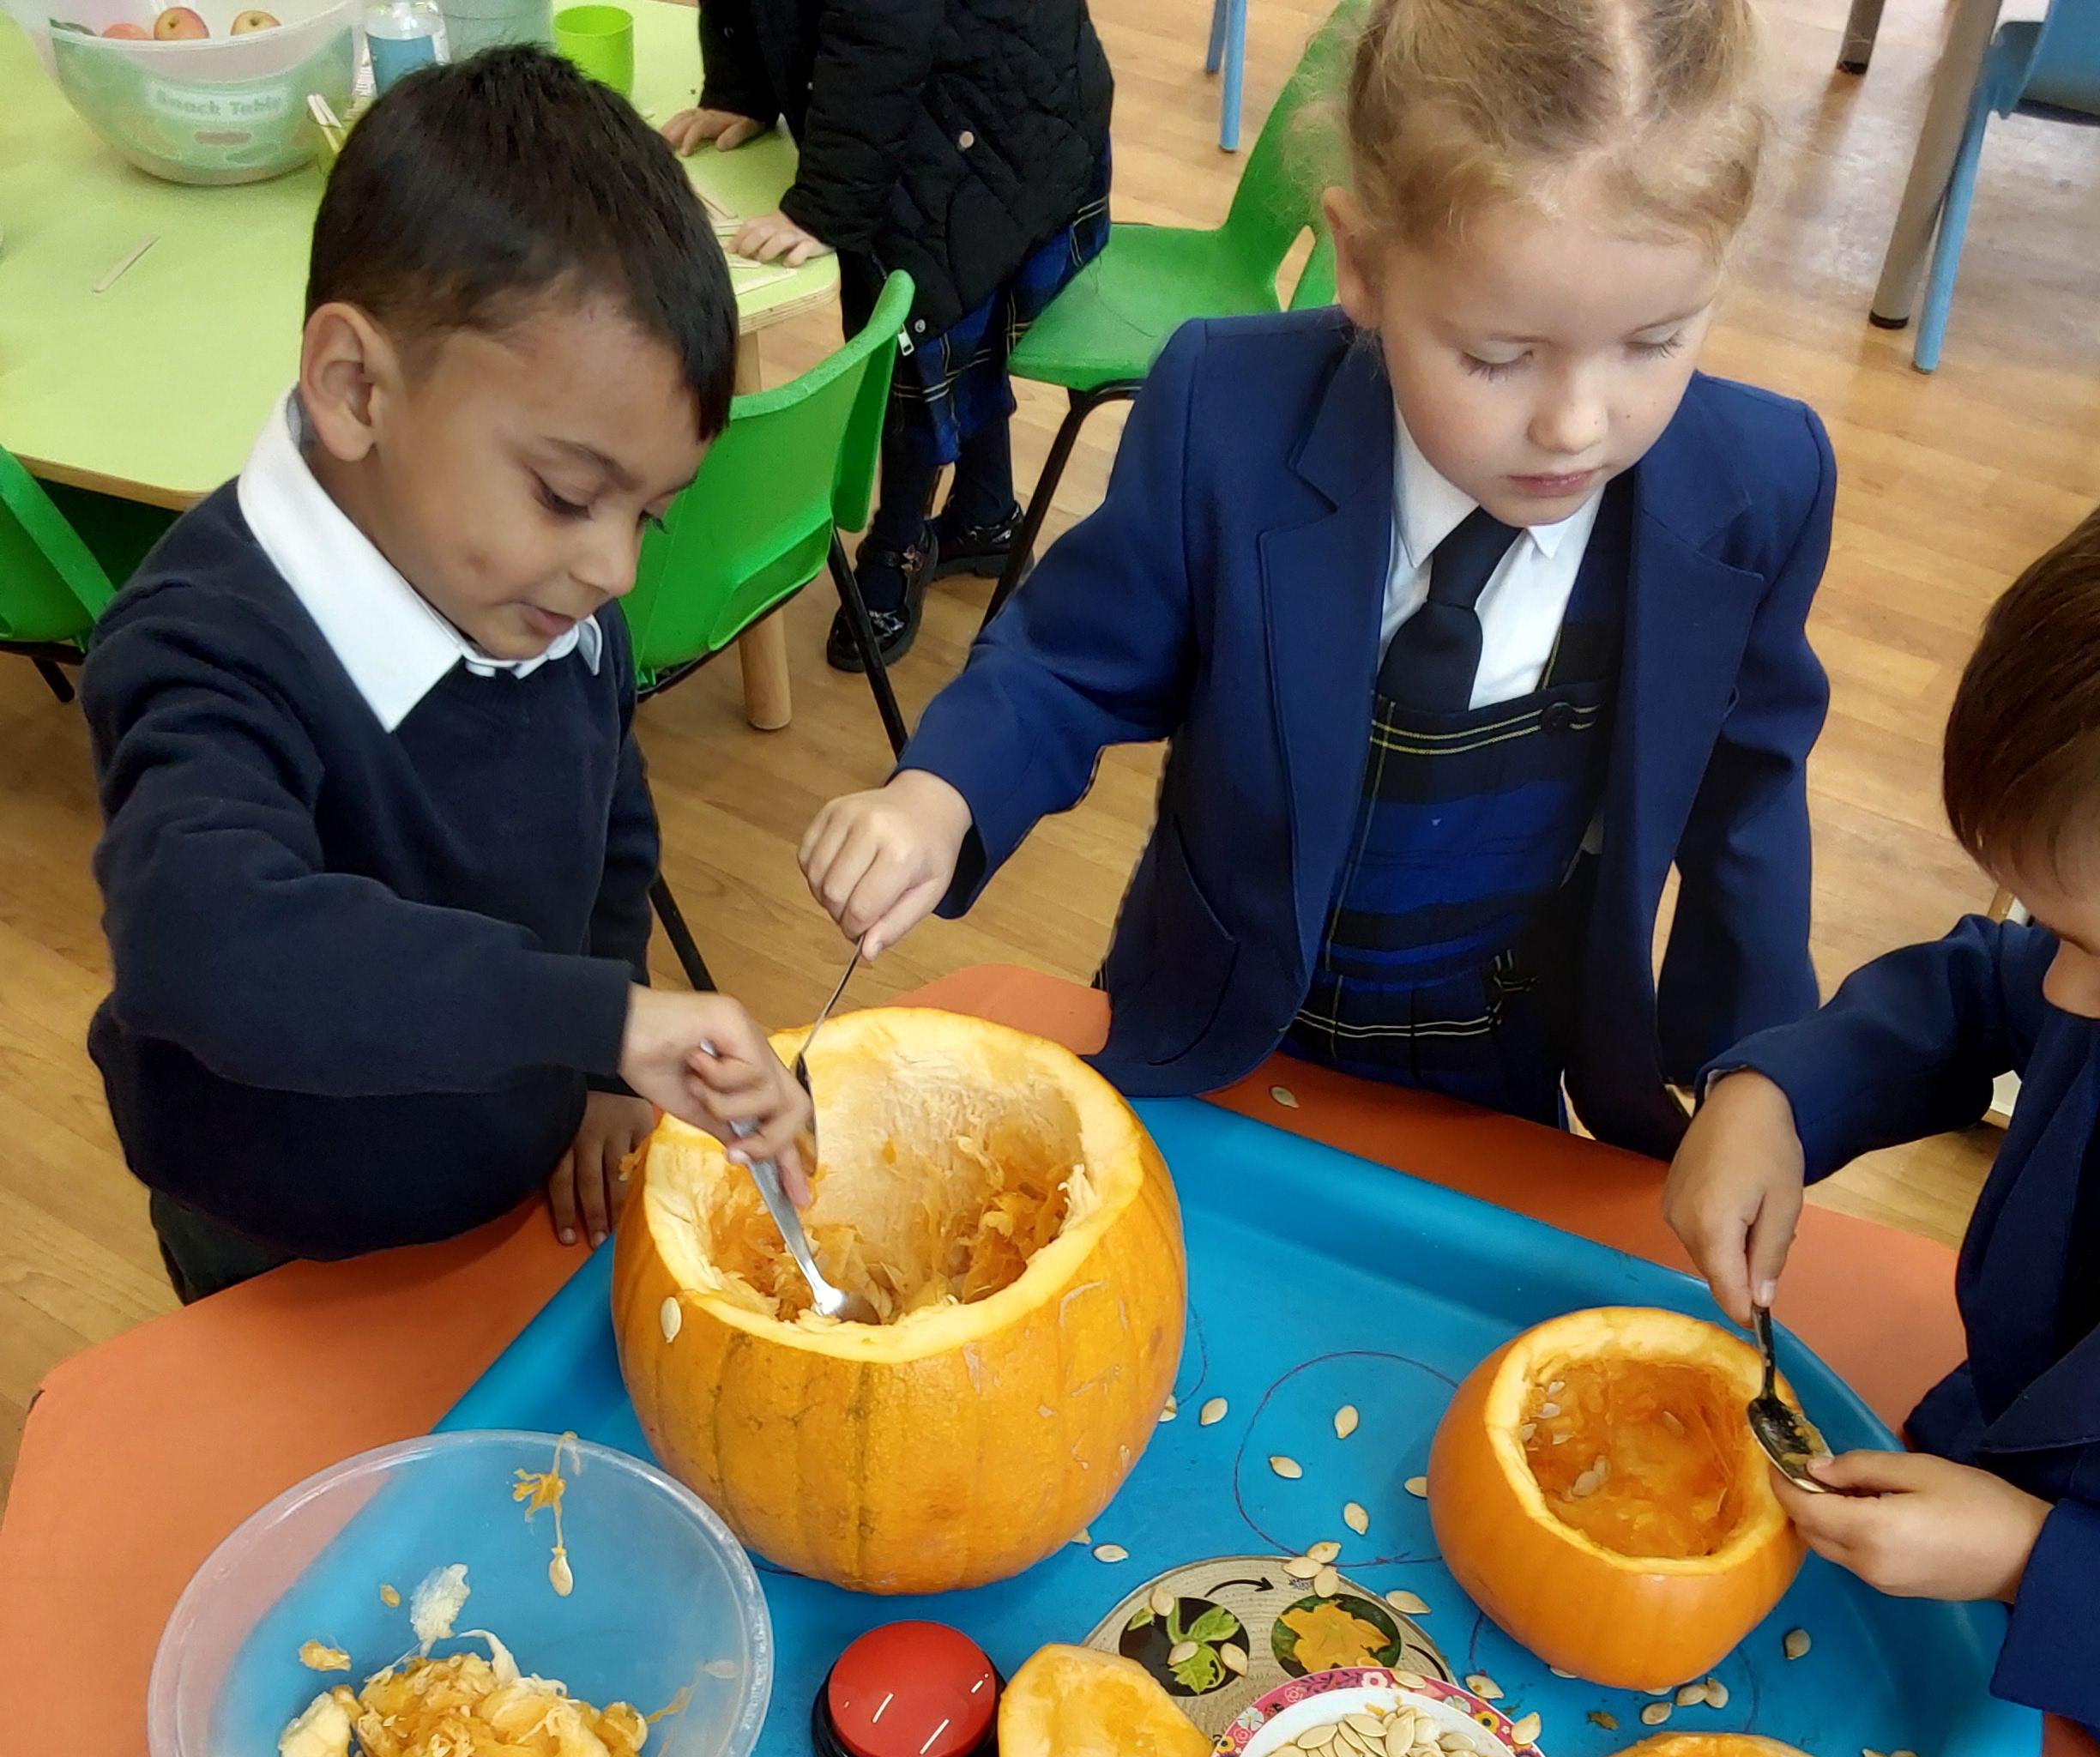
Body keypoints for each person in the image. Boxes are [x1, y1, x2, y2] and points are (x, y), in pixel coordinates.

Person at [798, 0, 1835, 1158]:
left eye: (1655, 343)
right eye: (1497, 357)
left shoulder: (1761, 487)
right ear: (1364, 264)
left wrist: (1761, 1074)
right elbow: (1070, 662)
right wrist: (941, 795)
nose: (1577, 425)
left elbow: (1749, 800)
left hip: (1503, 1044)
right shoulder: (1226, 414)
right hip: (1221, 1024)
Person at [84, 49, 809, 1307]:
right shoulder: (204, 643)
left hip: (509, 1184)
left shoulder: (547, 597)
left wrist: (601, 1065)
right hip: (280, 1233)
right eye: (568, 495)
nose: (615, 569)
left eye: (650, 515)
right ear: (357, 388)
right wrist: (597, 1022)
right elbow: (209, 947)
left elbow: (611, 831)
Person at [1663, 510, 2100, 1739]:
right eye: (2059, 931)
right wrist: (1780, 1094)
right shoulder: (2077, 975)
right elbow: (1982, 989)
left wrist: (2036, 1562)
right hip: (1958, 1486)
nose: (2065, 993)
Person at [664, 0, 1111, 671]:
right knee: (959, 316)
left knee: (915, 326)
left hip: (1008, 119)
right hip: (947, 90)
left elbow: (880, 38)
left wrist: (824, 205)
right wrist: (740, 88)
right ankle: (986, 516)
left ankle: (900, 542)